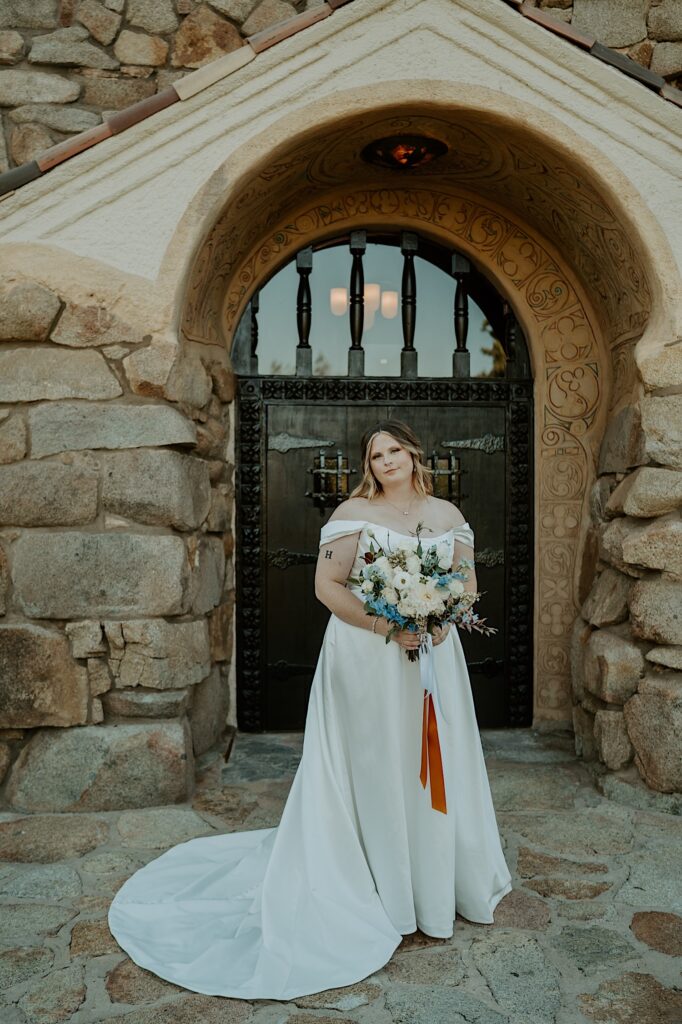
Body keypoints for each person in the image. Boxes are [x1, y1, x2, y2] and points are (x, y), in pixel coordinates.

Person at [108, 419, 512, 1000]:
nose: (386, 461)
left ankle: (432, 880)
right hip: (368, 657)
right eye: (376, 455)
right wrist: (390, 624)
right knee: (373, 760)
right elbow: (328, 586)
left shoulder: (449, 515)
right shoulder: (350, 515)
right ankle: (377, 883)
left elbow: (467, 583)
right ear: (368, 465)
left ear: (413, 454)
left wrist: (438, 622)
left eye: (394, 450)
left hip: (433, 658)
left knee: (429, 763)